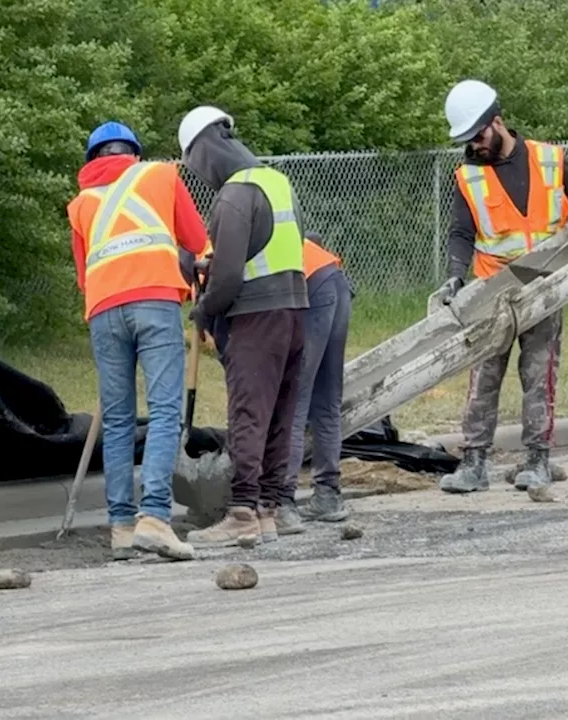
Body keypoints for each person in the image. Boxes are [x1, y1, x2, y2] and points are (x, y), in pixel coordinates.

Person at [430, 80, 568, 501]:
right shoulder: (468, 176)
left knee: (538, 375)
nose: (475, 145)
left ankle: (537, 460)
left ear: (498, 123)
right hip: (493, 292)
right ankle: (474, 463)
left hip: (543, 288)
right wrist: (455, 275)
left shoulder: (548, 159)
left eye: (479, 135)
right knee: (483, 377)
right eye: (468, 140)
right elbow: (460, 232)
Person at [66, 121, 210, 562]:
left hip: (104, 310)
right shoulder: (162, 176)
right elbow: (198, 242)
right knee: (165, 410)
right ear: (134, 152)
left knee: (117, 417)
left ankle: (122, 527)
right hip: (155, 299)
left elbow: (82, 276)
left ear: (93, 159)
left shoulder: (81, 205)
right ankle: (155, 518)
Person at [178, 106, 309, 548]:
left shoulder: (235, 193)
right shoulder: (277, 183)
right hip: (294, 311)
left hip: (256, 317)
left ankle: (241, 513)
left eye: (193, 163)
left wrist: (204, 309)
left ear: (204, 150)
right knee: (277, 414)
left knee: (248, 413)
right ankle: (268, 510)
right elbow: (265, 249)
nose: (198, 174)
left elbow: (230, 276)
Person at [275, 232, 354, 533]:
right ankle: (327, 495)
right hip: (332, 277)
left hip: (310, 287)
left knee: (294, 399)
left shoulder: (210, 254)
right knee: (326, 398)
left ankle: (283, 502)